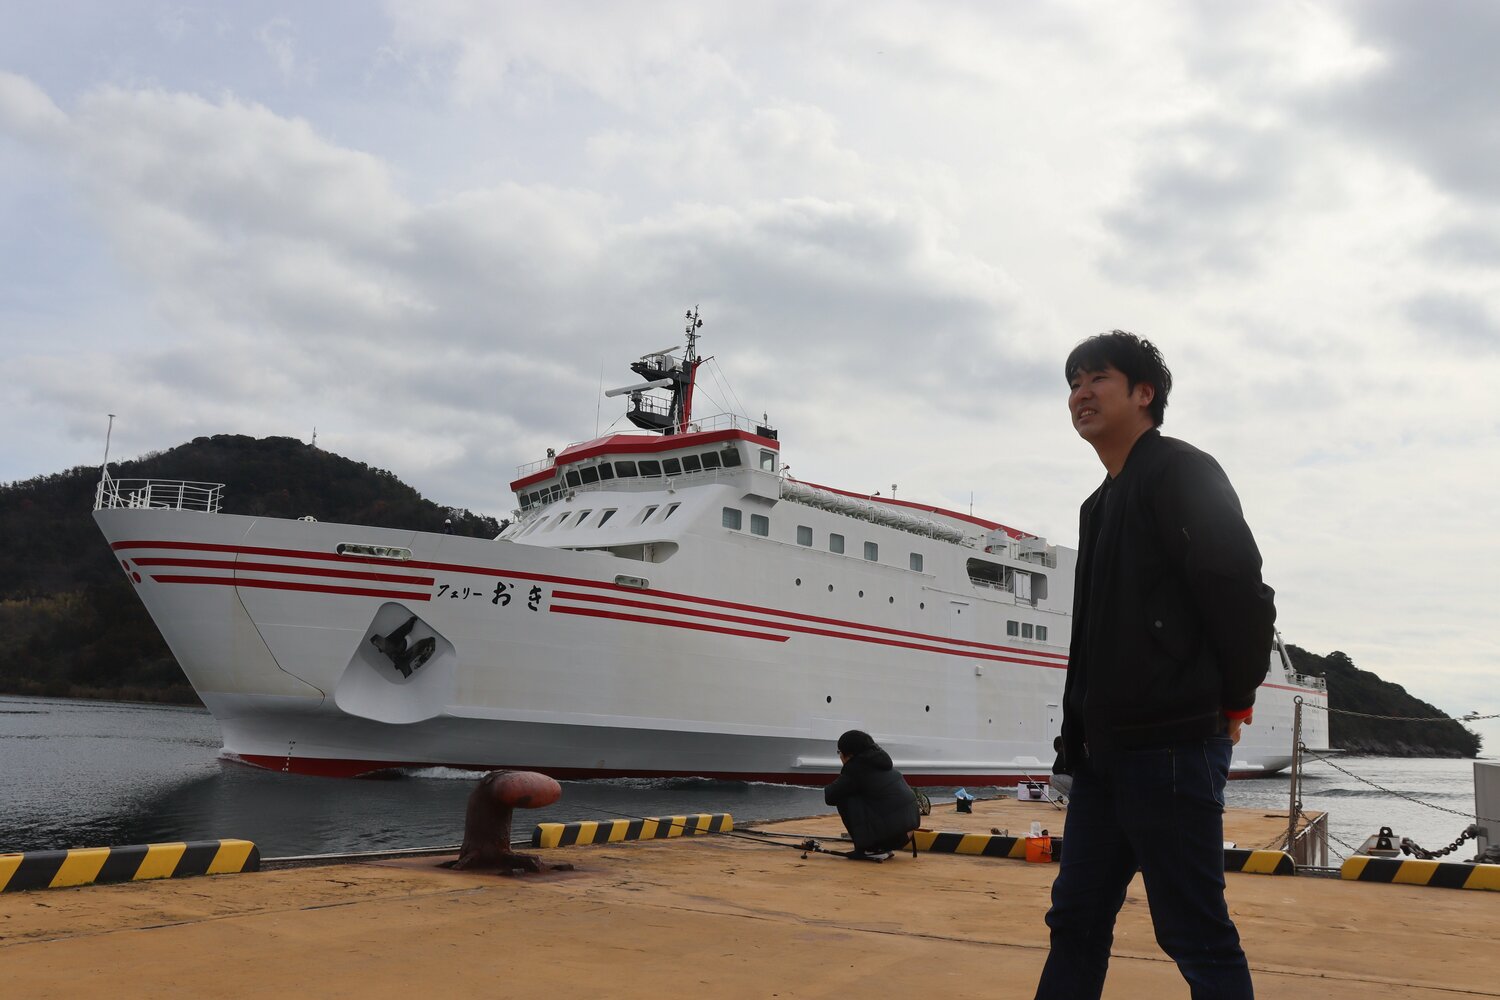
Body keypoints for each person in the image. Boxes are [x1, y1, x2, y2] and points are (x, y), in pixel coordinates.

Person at [1034, 331, 1276, 1000]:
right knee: (1075, 920)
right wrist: (1071, 743)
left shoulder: (1180, 470)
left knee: (1193, 931)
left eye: (1096, 378)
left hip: (1171, 747)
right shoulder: (1099, 503)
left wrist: (1232, 699)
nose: (1080, 393)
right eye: (1072, 382)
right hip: (1102, 759)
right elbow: (1091, 641)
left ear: (1145, 393)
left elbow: (1240, 588)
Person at [824, 730, 921, 860]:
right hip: (908, 831)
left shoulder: (856, 769)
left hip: (892, 837)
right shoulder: (882, 763)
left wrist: (845, 775)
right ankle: (882, 848)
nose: (840, 756)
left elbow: (830, 796)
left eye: (840, 752)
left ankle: (872, 849)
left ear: (849, 754)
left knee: (843, 797)